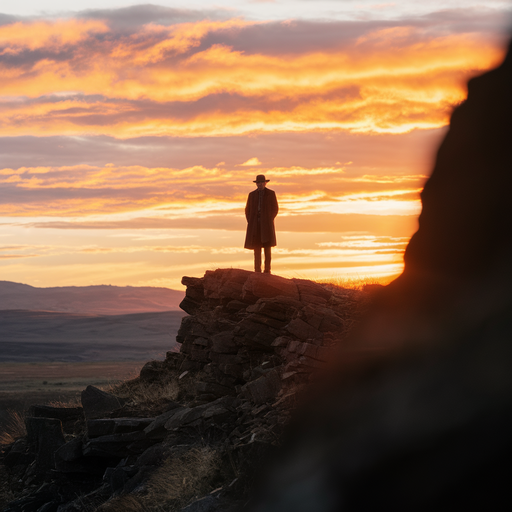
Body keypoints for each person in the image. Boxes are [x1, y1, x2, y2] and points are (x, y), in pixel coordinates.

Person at [244, 175, 279, 273]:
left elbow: (275, 208)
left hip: (266, 225)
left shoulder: (271, 193)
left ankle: (267, 270)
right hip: (255, 225)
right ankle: (257, 270)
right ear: (256, 184)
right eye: (258, 182)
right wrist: (251, 221)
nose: (260, 184)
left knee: (267, 248)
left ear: (265, 183)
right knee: (257, 248)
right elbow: (247, 210)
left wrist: (269, 219)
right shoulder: (252, 195)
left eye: (261, 182)